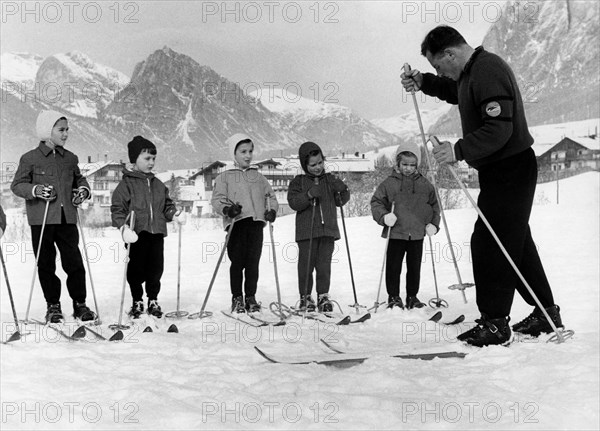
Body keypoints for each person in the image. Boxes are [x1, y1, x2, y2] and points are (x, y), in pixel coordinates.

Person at [401, 25, 564, 346]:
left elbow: (498, 130)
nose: (440, 71)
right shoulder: (472, 73)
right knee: (515, 243)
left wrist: (458, 150)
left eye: (438, 65)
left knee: (489, 242)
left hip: (511, 169)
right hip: (502, 170)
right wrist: (424, 82)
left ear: (449, 53)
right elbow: (456, 91)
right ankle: (547, 315)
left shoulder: (487, 70)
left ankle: (495, 323)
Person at [11, 110, 95, 323]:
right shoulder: (29, 158)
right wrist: (36, 190)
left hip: (67, 218)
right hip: (42, 220)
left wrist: (82, 192)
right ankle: (53, 306)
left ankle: (80, 304)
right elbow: (17, 185)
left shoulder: (70, 158)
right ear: (47, 131)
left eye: (67, 129)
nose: (66, 134)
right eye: (61, 130)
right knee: (46, 264)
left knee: (74, 262)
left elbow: (80, 180)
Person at [111, 136, 181, 319]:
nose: (151, 162)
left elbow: (166, 205)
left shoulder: (158, 184)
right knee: (135, 270)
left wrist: (174, 214)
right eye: (147, 158)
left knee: (155, 269)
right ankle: (137, 301)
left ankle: (153, 299)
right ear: (135, 160)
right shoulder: (126, 184)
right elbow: (118, 209)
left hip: (156, 233)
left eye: (153, 158)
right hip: (136, 234)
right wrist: (123, 229)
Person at [211, 133, 278, 313]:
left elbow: (270, 197)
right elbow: (217, 199)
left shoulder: (258, 177)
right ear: (233, 153)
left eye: (250, 151)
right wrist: (228, 210)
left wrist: (271, 210)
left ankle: (250, 297)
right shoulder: (224, 177)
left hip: (256, 224)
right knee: (238, 262)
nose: (248, 155)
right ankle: (237, 298)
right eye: (243, 152)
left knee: (252, 263)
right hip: (237, 224)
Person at [371, 142, 440, 310]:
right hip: (396, 232)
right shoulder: (389, 183)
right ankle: (393, 296)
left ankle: (412, 296)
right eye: (405, 164)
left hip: (417, 233)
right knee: (393, 267)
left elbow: (435, 206)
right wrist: (384, 216)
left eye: (412, 165)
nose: (408, 168)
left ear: (418, 165)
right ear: (397, 163)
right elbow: (376, 202)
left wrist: (433, 225)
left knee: (414, 268)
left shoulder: (425, 184)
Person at [287, 141, 350, 312]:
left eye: (320, 162)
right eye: (312, 164)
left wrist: (343, 190)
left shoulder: (330, 180)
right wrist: (307, 195)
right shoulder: (298, 182)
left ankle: (323, 296)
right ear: (304, 164)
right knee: (306, 266)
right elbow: (294, 203)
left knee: (324, 265)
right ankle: (305, 297)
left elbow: (340, 201)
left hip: (327, 230)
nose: (317, 167)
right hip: (306, 232)